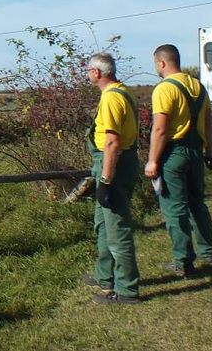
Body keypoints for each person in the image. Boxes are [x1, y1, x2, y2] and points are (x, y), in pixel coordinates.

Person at [145, 45, 212, 276]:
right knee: (198, 203)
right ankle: (208, 252)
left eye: (156, 64)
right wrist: (210, 152)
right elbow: (208, 123)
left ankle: (183, 261)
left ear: (161, 63)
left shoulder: (164, 89)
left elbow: (160, 129)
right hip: (196, 151)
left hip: (173, 153)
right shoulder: (198, 86)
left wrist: (152, 161)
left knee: (175, 208)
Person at [83, 52, 142, 305]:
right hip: (116, 163)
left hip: (114, 165)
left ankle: (127, 290)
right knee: (103, 224)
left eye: (88, 71)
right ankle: (104, 276)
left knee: (117, 229)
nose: (87, 74)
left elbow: (112, 142)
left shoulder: (110, 98)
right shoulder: (123, 91)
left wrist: (106, 181)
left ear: (97, 73)